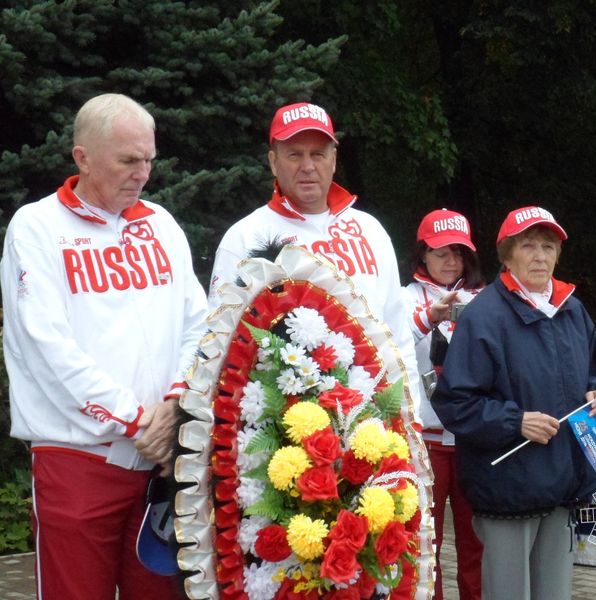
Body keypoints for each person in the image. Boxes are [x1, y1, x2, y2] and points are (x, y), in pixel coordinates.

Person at [0, 93, 208, 599]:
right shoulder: (37, 228)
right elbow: (48, 349)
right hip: (78, 461)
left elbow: (199, 326)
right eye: (128, 160)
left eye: (149, 160)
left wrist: (176, 405)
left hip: (161, 464)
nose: (142, 173)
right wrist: (136, 421)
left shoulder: (161, 224)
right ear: (83, 157)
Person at [431, 206, 596, 600]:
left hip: (565, 486)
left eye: (548, 247)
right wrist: (515, 421)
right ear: (507, 255)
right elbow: (455, 402)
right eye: (528, 246)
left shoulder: (573, 309)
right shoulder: (483, 316)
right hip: (508, 489)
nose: (540, 256)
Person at [209, 101, 421, 408]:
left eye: (318, 154)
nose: (308, 166)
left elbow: (398, 334)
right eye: (294, 154)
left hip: (376, 415)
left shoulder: (371, 230)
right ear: (273, 161)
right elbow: (220, 343)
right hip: (288, 420)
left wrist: (411, 414)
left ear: (333, 160)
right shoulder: (245, 237)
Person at [404, 208, 485, 600]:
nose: (451, 261)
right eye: (440, 252)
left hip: (473, 440)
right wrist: (427, 318)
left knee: (476, 543)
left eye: (458, 252)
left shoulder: (485, 299)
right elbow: (387, 346)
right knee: (425, 541)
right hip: (426, 442)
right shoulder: (404, 298)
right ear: (422, 254)